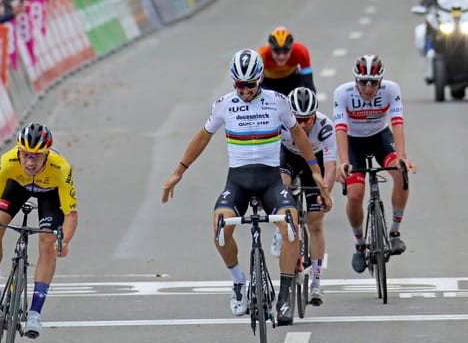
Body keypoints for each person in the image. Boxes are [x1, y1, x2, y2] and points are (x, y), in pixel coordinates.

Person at [161, 49, 332, 325]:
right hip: (238, 181)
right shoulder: (224, 104)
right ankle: (239, 281)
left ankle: (285, 297)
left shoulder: (277, 102)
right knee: (219, 226)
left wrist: (314, 170)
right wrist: (178, 172)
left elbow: (299, 134)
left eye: (250, 85)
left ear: (260, 79)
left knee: (291, 225)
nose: (245, 91)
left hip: (270, 181)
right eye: (239, 85)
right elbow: (202, 138)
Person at [0, 123, 78, 338]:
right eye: (25, 155)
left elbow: (71, 214)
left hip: (49, 194)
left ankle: (34, 314)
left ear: (46, 155)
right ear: (19, 152)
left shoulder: (61, 168)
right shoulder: (7, 161)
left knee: (47, 243)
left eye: (36, 156)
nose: (30, 161)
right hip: (17, 186)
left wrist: (65, 241)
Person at [333, 55, 417, 274]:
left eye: (373, 82)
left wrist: (401, 156)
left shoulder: (391, 89)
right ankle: (359, 243)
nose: (368, 87)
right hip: (353, 143)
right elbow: (340, 129)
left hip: (380, 137)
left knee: (401, 175)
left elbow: (397, 123)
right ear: (356, 80)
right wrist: (343, 163)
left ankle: (394, 233)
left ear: (381, 80)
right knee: (354, 194)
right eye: (363, 82)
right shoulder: (343, 93)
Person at [270, 87, 336, 305]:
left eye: (308, 119)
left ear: (315, 115)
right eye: (298, 119)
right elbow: (269, 155)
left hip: (313, 163)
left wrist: (326, 193)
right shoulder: (281, 123)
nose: (304, 124)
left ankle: (316, 282)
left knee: (316, 224)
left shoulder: (325, 127)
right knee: (281, 184)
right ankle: (280, 226)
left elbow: (330, 165)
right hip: (288, 157)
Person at [256, 26, 316, 96]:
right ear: (270, 49)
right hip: (268, 83)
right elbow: (254, 83)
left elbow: (309, 83)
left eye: (286, 51)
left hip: (292, 80)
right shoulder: (262, 55)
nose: (281, 56)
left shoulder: (301, 52)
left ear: (291, 49)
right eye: (277, 51)